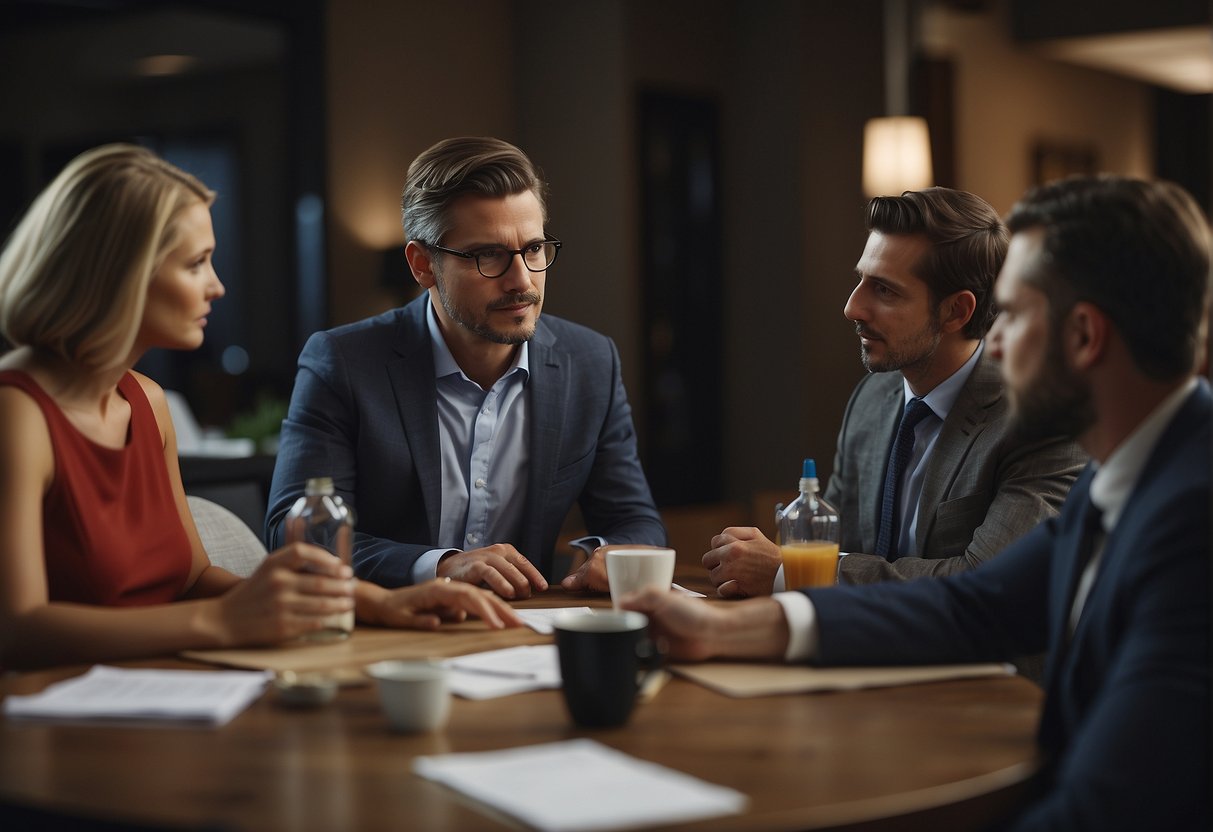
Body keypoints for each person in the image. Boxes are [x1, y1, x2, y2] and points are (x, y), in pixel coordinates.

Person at [626, 176, 1211, 831]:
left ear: (1082, 337)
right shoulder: (1134, 477)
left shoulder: (1193, 522)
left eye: (1012, 315)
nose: (992, 344)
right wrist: (719, 628)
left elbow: (1108, 807)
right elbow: (973, 605)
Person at [0, 144, 521, 671]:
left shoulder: (145, 402)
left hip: (170, 690)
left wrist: (374, 603)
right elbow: (17, 630)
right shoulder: (17, 412)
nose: (217, 286)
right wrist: (223, 623)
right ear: (117, 273)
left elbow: (193, 579)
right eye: (196, 263)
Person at [265, 137, 665, 599]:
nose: (522, 281)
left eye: (533, 249)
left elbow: (637, 520)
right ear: (422, 265)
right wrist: (440, 566)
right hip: (388, 633)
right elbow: (295, 538)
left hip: (522, 635)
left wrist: (609, 551)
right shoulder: (343, 362)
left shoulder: (591, 362)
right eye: (488, 255)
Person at [704, 187, 1085, 598]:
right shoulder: (871, 399)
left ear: (957, 311)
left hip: (979, 662)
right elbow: (827, 545)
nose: (852, 308)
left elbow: (987, 585)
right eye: (861, 280)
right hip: (855, 651)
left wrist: (791, 572)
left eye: (884, 290)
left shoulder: (1042, 418)